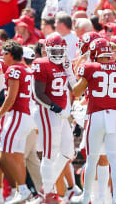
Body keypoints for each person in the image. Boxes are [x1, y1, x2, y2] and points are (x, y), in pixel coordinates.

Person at [72, 37, 116, 204]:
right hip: (113, 115)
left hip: (95, 116)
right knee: (114, 158)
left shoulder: (90, 67)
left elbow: (76, 92)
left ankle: (87, 196)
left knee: (92, 159)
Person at [32, 35, 76, 203]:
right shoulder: (41, 64)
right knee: (49, 154)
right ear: (46, 50)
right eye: (54, 50)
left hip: (61, 113)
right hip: (47, 111)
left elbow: (75, 89)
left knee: (67, 152)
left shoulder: (65, 63)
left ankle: (46, 189)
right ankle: (49, 194)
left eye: (60, 50)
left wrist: (70, 72)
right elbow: (38, 92)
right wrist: (53, 107)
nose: (58, 53)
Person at [0, 40, 35, 204]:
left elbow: (11, 97)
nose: (2, 57)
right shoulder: (26, 69)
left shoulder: (13, 69)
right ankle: (22, 191)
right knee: (17, 156)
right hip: (26, 115)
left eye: (4, 54)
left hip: (17, 115)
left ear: (10, 54)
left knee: (4, 153)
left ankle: (23, 189)